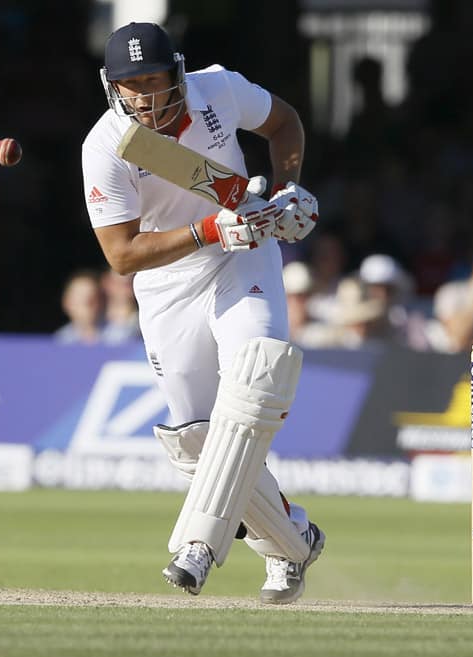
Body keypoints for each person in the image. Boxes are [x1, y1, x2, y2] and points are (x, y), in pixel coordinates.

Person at [81, 22, 324, 604]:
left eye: (152, 79)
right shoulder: (105, 146)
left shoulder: (218, 90)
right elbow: (121, 255)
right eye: (129, 83)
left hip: (244, 252)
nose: (142, 94)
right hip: (168, 277)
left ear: (177, 74)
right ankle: (293, 541)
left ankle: (199, 546)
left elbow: (284, 121)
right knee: (195, 439)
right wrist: (211, 226)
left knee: (257, 371)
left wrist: (287, 190)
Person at [54, 269, 106, 345]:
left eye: (92, 296)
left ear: (101, 301)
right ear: (67, 303)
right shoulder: (60, 341)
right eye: (80, 296)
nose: (86, 302)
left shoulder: (119, 337)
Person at [100, 267, 141, 344]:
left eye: (129, 283)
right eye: (118, 283)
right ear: (106, 282)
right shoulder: (93, 322)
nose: (125, 288)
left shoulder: (146, 321)